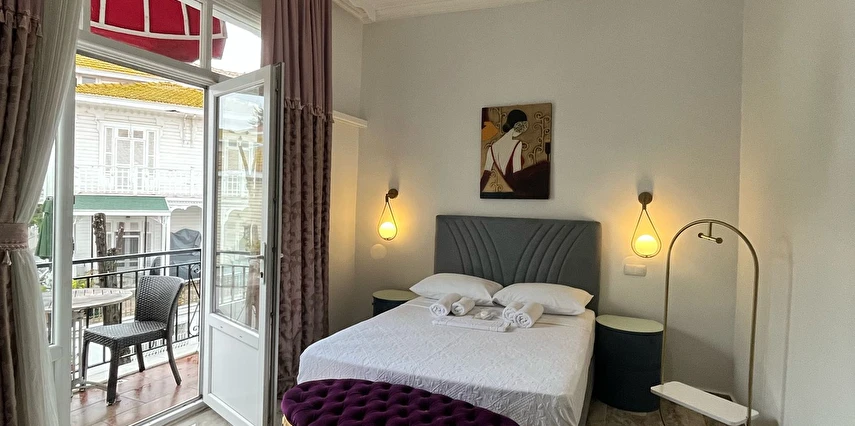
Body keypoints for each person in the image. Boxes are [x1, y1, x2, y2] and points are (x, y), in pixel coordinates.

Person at [481, 110, 528, 192]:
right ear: (519, 125)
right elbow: (517, 173)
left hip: (508, 186)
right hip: (516, 188)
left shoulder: (492, 148)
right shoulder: (517, 143)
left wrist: (479, 191)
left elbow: (486, 174)